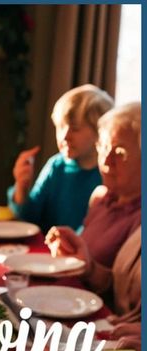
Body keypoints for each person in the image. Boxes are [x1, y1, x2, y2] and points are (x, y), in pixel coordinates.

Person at [45, 102, 141, 269]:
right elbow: (85, 254)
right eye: (103, 147)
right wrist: (68, 246)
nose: (105, 160)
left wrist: (88, 269)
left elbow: (124, 291)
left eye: (119, 152)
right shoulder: (100, 197)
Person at [7, 84, 114, 233]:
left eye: (75, 128)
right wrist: (21, 187)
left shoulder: (109, 175)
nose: (65, 136)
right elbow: (28, 220)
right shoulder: (56, 165)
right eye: (61, 127)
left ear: (99, 132)